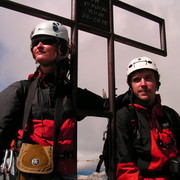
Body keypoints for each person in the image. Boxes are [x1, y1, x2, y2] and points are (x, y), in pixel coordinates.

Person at [0, 20, 104, 179]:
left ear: (62, 48)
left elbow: (109, 106)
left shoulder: (73, 94)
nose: (39, 45)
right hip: (28, 172)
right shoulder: (21, 90)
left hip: (64, 174)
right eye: (35, 42)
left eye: (47, 41)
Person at [116, 56, 180, 180]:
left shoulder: (170, 115)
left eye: (148, 78)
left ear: (157, 83)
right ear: (131, 85)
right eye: (137, 80)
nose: (143, 84)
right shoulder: (124, 116)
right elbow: (124, 169)